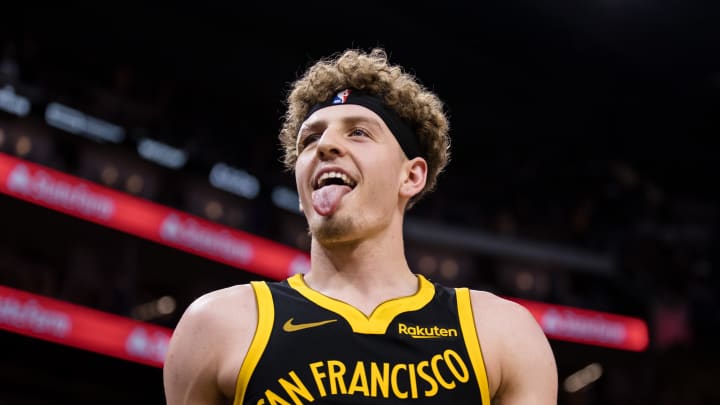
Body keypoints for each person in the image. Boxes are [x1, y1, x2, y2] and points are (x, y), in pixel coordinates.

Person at [163, 47, 558, 405]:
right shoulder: (216, 325)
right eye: (310, 139)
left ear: (411, 177)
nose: (325, 146)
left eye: (358, 132)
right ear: (301, 189)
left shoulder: (501, 333)